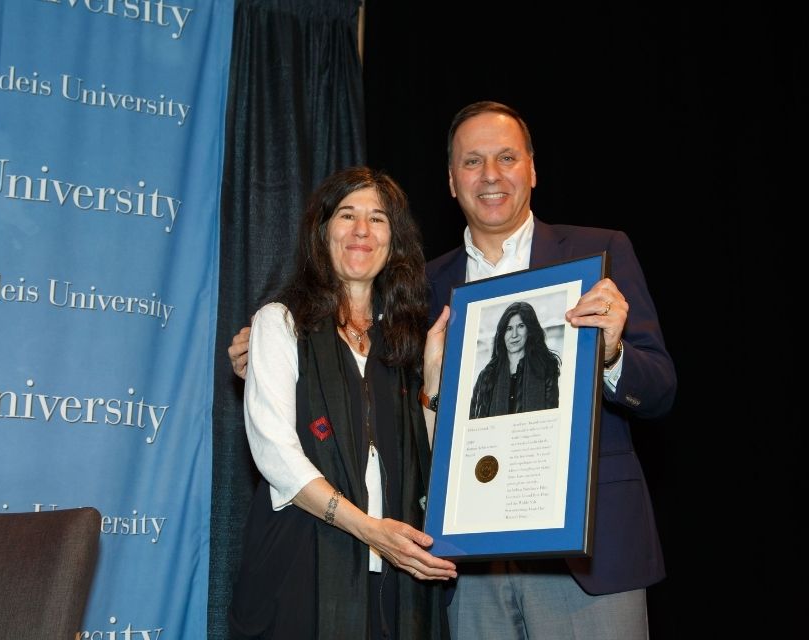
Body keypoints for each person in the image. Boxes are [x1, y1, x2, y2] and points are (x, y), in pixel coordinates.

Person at [229, 102, 676, 639]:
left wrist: (611, 354)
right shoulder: (424, 288)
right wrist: (265, 354)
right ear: (450, 180)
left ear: (532, 169)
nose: (490, 175)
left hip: (588, 561)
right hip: (471, 569)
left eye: (506, 157)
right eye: (472, 162)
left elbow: (659, 390)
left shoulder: (597, 253)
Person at [227, 166, 456, 640]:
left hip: (394, 572)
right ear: (323, 229)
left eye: (377, 219)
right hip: (301, 561)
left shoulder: (405, 341)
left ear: (394, 239)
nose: (361, 231)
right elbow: (275, 454)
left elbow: (426, 461)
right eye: (347, 215)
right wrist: (370, 529)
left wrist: (431, 380)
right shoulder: (281, 322)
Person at [469, 300, 560, 418]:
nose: (514, 334)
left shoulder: (546, 367)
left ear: (530, 330)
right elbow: (474, 420)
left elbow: (551, 418)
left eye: (521, 326)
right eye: (509, 328)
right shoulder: (487, 375)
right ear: (502, 333)